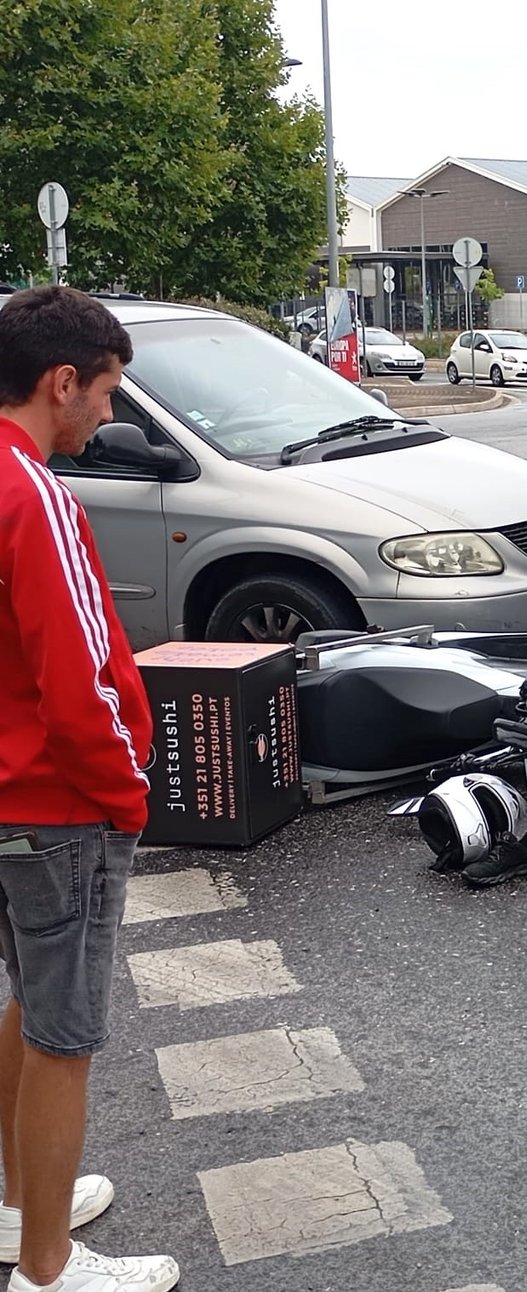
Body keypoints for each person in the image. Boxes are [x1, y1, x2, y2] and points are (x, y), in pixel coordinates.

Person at [0, 287, 181, 1290]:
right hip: (57, 804)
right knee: (64, 1033)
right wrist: (129, 794)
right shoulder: (35, 495)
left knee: (26, 1001)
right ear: (61, 381)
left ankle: (23, 1207)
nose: (108, 415)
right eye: (107, 391)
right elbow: (80, 675)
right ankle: (48, 1270)